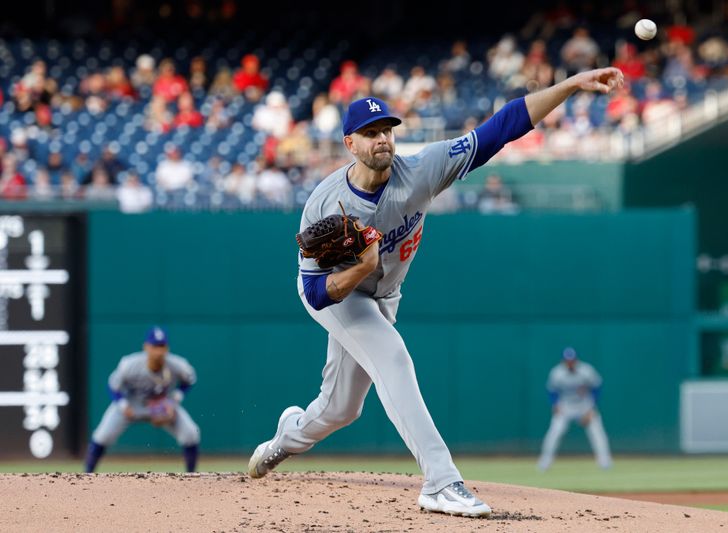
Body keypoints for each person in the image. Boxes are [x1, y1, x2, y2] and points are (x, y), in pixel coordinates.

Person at [247, 66, 624, 517]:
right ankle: (441, 481)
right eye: (370, 133)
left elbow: (499, 129)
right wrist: (361, 267)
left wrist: (567, 87)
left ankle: (288, 435)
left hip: (385, 296)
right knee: (392, 356)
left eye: (387, 129)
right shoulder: (326, 205)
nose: (382, 138)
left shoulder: (422, 170)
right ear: (350, 144)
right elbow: (314, 294)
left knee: (341, 409)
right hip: (342, 296)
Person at [85, 326, 200, 473]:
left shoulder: (177, 365)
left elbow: (189, 380)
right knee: (102, 436)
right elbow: (113, 386)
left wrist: (174, 400)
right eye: (154, 346)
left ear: (167, 348)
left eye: (161, 346)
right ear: (146, 347)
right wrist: (122, 404)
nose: (158, 351)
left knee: (191, 433)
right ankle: (86, 476)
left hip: (163, 406)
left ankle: (191, 476)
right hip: (132, 405)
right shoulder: (129, 364)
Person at [537, 347, 612, 471]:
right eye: (568, 360)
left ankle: (605, 462)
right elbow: (552, 391)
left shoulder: (586, 370)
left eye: (572, 360)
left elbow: (597, 388)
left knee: (598, 433)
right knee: (554, 432)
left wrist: (591, 409)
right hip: (565, 406)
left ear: (576, 360)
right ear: (564, 361)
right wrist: (555, 405)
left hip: (585, 406)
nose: (570, 362)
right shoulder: (557, 372)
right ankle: (545, 462)